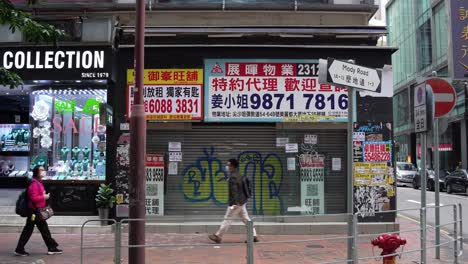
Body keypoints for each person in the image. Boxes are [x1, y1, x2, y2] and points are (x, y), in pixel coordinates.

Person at [14, 165, 62, 256]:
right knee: (30, 230)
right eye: (42, 170)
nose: (44, 171)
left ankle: (51, 247)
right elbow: (34, 198)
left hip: (37, 211)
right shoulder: (34, 184)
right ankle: (20, 249)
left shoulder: (38, 182)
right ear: (37, 172)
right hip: (34, 212)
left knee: (42, 230)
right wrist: (44, 197)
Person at [208, 158, 258, 243]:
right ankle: (253, 236)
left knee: (228, 219)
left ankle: (218, 236)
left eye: (228, 165)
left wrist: (234, 203)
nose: (227, 167)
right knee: (246, 219)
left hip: (237, 202)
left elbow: (234, 191)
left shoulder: (233, 177)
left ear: (232, 166)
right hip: (242, 201)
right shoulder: (238, 175)